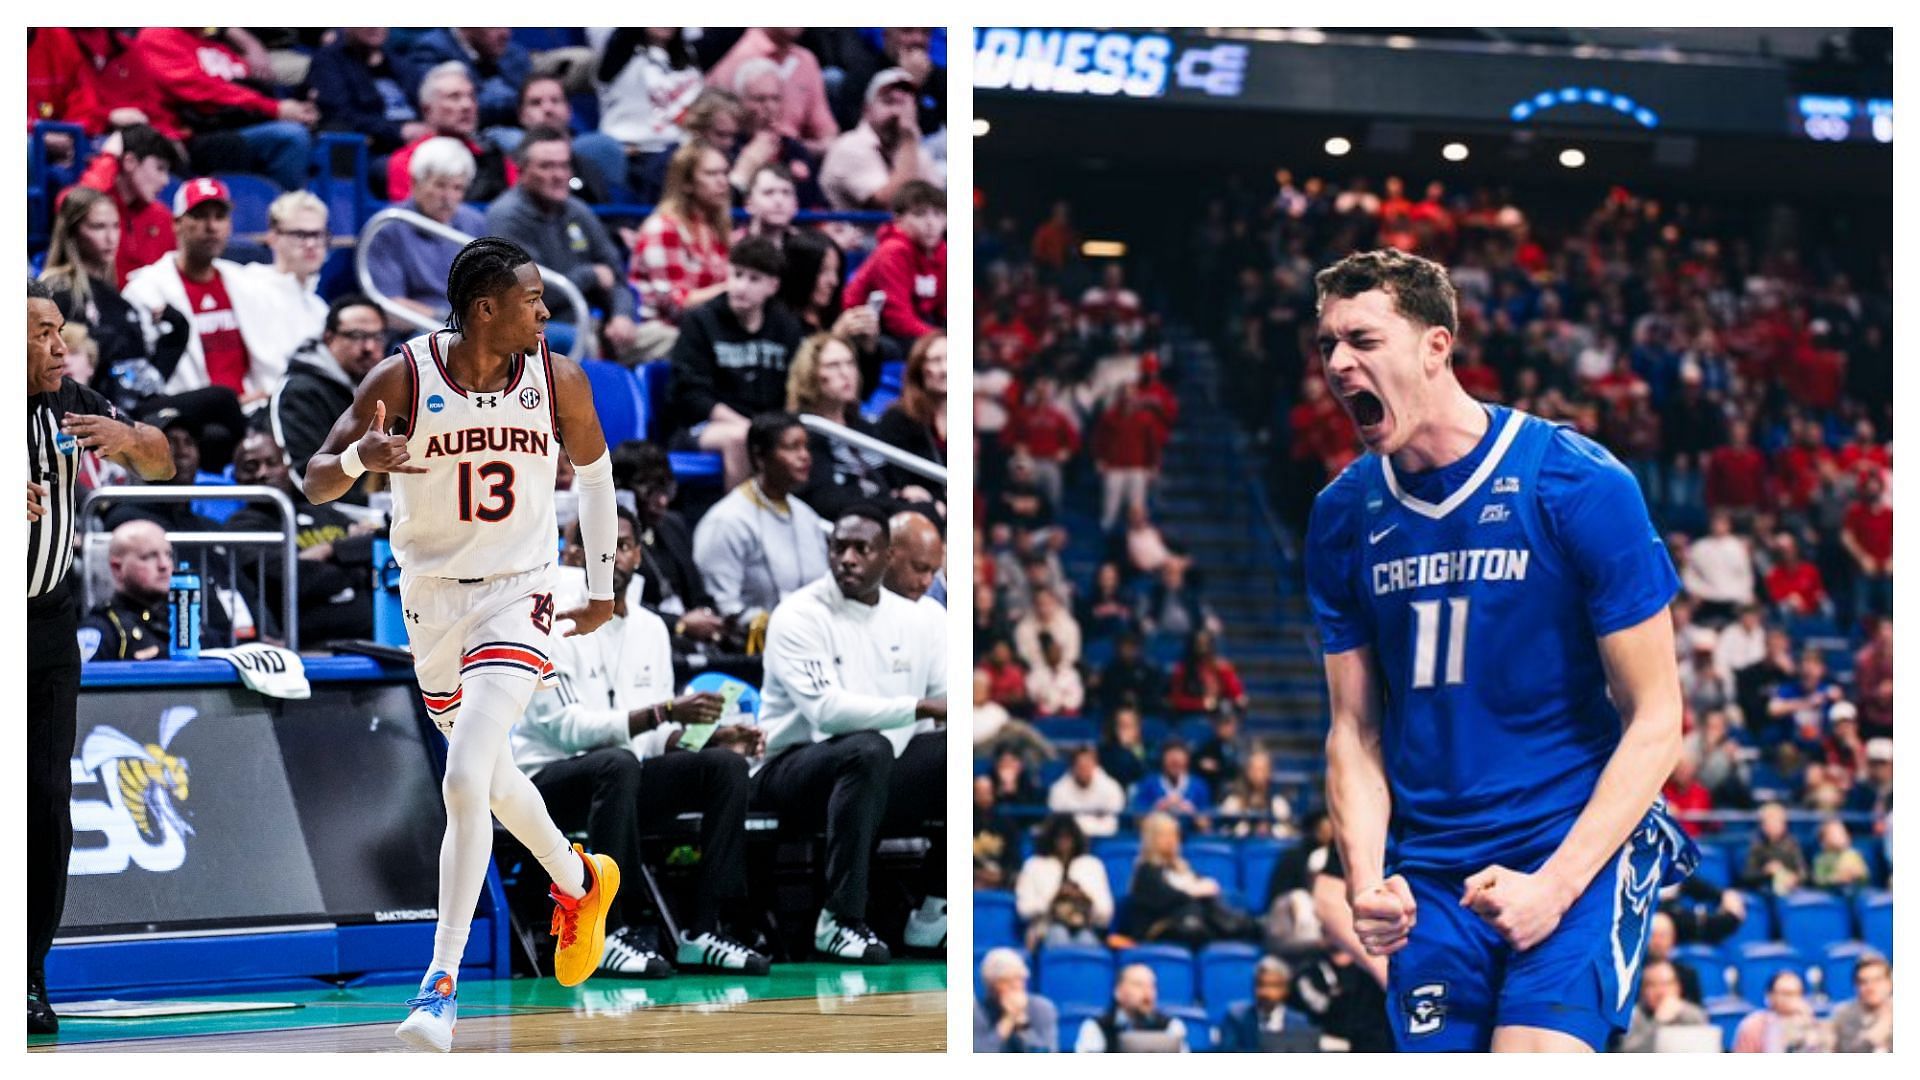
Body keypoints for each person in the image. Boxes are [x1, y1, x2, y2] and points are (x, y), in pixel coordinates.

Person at [1305, 249, 1696, 1052]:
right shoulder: (1341, 515)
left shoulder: (1579, 483)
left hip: (1572, 842)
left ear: (1435, 347)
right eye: (1327, 346)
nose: (1340, 363)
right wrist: (1366, 879)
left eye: (1363, 340)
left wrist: (1555, 886)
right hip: (1431, 866)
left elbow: (1658, 717)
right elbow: (1354, 729)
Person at [300, 237, 624, 1052]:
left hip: (522, 592)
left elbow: (595, 475)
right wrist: (356, 457)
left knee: (465, 775)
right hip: (432, 604)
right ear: (486, 308)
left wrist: (603, 584)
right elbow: (314, 479)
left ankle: (439, 986)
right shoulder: (406, 377)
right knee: (497, 782)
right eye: (533, 299)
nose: (547, 313)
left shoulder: (559, 378)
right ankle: (581, 881)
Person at [512, 511, 770, 977]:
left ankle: (703, 929)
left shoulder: (651, 628)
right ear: (569, 554)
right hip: (545, 784)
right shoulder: (546, 621)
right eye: (585, 542)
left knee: (723, 767)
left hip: (621, 779)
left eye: (620, 543)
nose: (604, 551)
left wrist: (710, 733)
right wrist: (662, 713)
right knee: (617, 763)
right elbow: (566, 730)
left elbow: (650, 739)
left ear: (635, 555)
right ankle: (611, 930)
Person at [28, 280, 173, 1033]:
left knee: (45, 803)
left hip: (46, 626)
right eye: (41, 334)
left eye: (60, 331)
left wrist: (132, 441)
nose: (60, 347)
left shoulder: (72, 403)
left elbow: (165, 463)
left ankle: (26, 975)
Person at [754, 506, 948, 961]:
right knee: (867, 747)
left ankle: (935, 909)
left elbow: (947, 701)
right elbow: (826, 713)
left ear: (887, 556)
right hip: (789, 769)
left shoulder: (919, 619)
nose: (848, 558)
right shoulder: (799, 614)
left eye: (862, 549)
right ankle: (839, 919)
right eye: (839, 547)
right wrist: (917, 707)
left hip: (877, 769)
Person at [485, 126, 652, 362]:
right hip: (542, 328)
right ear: (521, 171)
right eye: (546, 166)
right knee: (582, 342)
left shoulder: (577, 211)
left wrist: (621, 316)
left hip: (597, 323)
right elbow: (529, 297)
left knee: (673, 339)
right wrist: (590, 275)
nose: (558, 174)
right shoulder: (507, 217)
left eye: (563, 165)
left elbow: (616, 276)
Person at [121, 178, 288, 399]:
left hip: (254, 408)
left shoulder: (248, 283)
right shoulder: (144, 291)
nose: (211, 227)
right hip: (188, 416)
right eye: (199, 216)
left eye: (220, 217)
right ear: (177, 223)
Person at [667, 237, 806, 487]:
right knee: (741, 438)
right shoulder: (700, 322)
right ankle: (740, 521)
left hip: (767, 425)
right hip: (705, 426)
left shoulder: (786, 326)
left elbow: (797, 386)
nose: (742, 286)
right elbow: (690, 394)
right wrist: (751, 427)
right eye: (737, 275)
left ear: (772, 286)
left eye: (754, 279)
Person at [38, 185, 188, 412]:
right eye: (98, 227)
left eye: (116, 226)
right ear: (72, 232)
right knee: (221, 400)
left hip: (135, 404)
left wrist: (178, 329)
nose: (110, 237)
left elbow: (149, 376)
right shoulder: (58, 291)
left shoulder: (117, 298)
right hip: (99, 410)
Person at [226, 432, 375, 645]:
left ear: (285, 467)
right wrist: (347, 559)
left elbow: (373, 544)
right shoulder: (242, 525)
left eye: (271, 463)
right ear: (237, 477)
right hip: (306, 642)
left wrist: (327, 552)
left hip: (368, 636)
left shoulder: (320, 511)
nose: (263, 473)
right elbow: (287, 576)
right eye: (251, 467)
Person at [690, 412, 830, 632]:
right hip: (752, 647)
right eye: (792, 447)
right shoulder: (726, 521)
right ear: (759, 457)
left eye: (806, 447)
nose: (805, 456)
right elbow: (722, 606)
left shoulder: (807, 517)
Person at [133, 27, 316, 192]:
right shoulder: (158, 35)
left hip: (234, 126)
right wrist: (275, 108)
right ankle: (287, 216)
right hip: (192, 135)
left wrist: (297, 108)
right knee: (289, 137)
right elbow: (201, 91)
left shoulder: (216, 42)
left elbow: (248, 87)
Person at [365, 136, 488, 328]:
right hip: (418, 332)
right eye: (440, 185)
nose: (448, 197)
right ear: (415, 183)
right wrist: (447, 319)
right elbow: (390, 307)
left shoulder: (474, 223)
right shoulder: (389, 226)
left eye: (457, 188)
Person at [270, 294, 387, 496]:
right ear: (328, 337)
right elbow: (305, 477)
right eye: (357, 336)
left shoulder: (384, 386)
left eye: (376, 337)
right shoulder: (300, 391)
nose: (369, 347)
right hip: (326, 515)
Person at [630, 139, 733, 326]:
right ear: (687, 184)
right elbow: (675, 305)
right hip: (660, 329)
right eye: (711, 174)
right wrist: (732, 290)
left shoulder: (719, 229)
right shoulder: (663, 229)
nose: (723, 181)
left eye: (725, 173)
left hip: (705, 327)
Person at [67, 124, 183, 288]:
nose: (165, 180)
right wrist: (107, 159)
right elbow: (69, 207)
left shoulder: (162, 217)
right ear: (129, 162)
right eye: (159, 168)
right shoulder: (94, 209)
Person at [387, 62, 516, 204]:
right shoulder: (407, 162)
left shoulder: (495, 157)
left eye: (472, 97)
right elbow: (409, 221)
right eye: (454, 97)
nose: (467, 105)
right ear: (427, 109)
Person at [237, 191, 331, 378]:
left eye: (318, 234)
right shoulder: (249, 285)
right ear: (273, 238)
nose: (311, 244)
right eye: (300, 235)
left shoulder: (318, 307)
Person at [704, 29, 839, 157]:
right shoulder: (736, 56)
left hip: (795, 158)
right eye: (760, 99)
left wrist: (797, 151)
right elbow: (719, 135)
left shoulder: (806, 59)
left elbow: (826, 132)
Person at [842, 180, 947, 341]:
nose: (931, 223)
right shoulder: (893, 251)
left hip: (917, 325)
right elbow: (898, 321)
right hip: (866, 330)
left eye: (938, 214)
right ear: (898, 220)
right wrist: (941, 340)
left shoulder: (942, 252)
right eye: (920, 214)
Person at [1129, 811, 1254, 946]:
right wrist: (1194, 891)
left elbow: (1206, 886)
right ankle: (1232, 926)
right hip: (1162, 927)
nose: (1172, 840)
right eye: (1165, 835)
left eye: (1174, 835)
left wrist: (1201, 888)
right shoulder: (1146, 871)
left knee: (1209, 911)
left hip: (1195, 921)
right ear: (1152, 840)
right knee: (1194, 921)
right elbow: (1168, 897)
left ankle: (1238, 925)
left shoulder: (1181, 867)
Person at [820, 68, 933, 213]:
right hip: (856, 233)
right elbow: (893, 203)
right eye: (888, 102)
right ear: (867, 109)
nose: (897, 112)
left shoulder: (916, 151)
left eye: (904, 104)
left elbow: (937, 202)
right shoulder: (850, 147)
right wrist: (909, 141)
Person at [306, 27, 426, 162]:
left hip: (420, 144)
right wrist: (398, 131)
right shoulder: (329, 61)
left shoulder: (400, 63)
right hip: (372, 151)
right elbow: (339, 114)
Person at [727, 65, 825, 209]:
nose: (770, 107)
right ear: (740, 103)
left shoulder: (795, 150)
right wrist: (748, 165)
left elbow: (816, 207)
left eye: (776, 98)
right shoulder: (726, 147)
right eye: (760, 99)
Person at [1015, 813, 1114, 948]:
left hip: (1086, 927)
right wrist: (1053, 900)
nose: (1064, 842)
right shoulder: (1033, 865)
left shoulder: (1092, 865)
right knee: (1058, 934)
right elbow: (1024, 910)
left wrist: (1085, 898)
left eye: (1068, 837)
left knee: (1086, 940)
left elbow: (1106, 912)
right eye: (1059, 837)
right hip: (1045, 929)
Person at [874, 331, 947, 499]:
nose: (945, 369)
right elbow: (898, 480)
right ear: (919, 368)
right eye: (936, 361)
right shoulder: (897, 418)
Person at [1074, 962, 1188, 1053]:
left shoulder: (1171, 1026)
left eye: (1152, 986)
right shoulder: (1095, 1027)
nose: (1147, 993)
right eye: (1138, 985)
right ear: (1118, 992)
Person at [1218, 957, 1317, 1051]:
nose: (1265, 992)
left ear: (1285, 989)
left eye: (1273, 986)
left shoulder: (1299, 1023)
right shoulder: (1236, 1019)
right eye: (1260, 984)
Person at [1616, 959, 1711, 1052]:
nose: (1660, 992)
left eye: (1667, 984)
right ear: (1642, 991)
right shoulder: (1632, 1017)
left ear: (1678, 988)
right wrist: (1659, 1023)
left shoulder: (1693, 1014)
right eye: (1652, 985)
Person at [975, 947, 1058, 1053]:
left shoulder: (1042, 1008)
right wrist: (1008, 1021)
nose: (1015, 986)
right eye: (1004, 982)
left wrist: (1022, 1024)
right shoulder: (977, 1012)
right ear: (990, 986)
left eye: (1019, 979)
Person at [1732, 970, 1831, 1052]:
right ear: (1770, 996)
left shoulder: (1810, 1023)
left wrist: (1808, 1022)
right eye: (1786, 994)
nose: (1792, 999)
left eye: (1797, 993)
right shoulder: (1752, 1026)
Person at [1047, 744, 1125, 838]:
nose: (1084, 769)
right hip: (1071, 841)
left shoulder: (1111, 788)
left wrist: (1080, 825)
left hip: (1103, 839)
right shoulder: (1058, 790)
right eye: (1080, 766)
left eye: (1087, 765)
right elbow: (1060, 825)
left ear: (1095, 765)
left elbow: (1111, 825)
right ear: (1073, 767)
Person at [1827, 953, 1893, 1052]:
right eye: (1863, 982)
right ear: (1856, 987)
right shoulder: (1843, 1016)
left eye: (1877, 980)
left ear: (1890, 983)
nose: (1870, 988)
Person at [1132, 739, 1214, 818]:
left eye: (1178, 763)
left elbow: (1206, 827)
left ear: (1187, 761)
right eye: (1171, 762)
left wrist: (1192, 812)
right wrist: (1157, 808)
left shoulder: (1199, 786)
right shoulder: (1149, 783)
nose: (1175, 765)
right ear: (1163, 760)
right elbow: (1137, 820)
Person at [885, 509, 944, 603]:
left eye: (934, 573)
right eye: (919, 568)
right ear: (888, 554)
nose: (926, 582)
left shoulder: (936, 613)